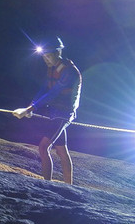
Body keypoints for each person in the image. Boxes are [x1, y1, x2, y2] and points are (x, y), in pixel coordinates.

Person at [12, 36, 82, 184]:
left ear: (58, 53)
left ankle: (47, 185)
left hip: (63, 114)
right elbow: (44, 88)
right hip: (55, 113)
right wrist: (30, 106)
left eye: (48, 56)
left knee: (43, 147)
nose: (46, 60)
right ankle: (69, 186)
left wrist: (31, 108)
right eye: (44, 57)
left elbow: (54, 92)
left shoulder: (69, 72)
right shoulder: (52, 69)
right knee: (62, 150)